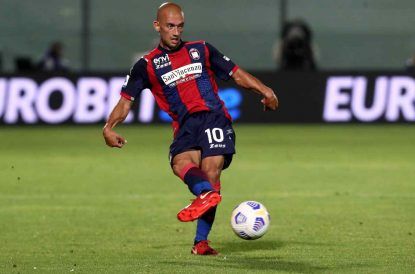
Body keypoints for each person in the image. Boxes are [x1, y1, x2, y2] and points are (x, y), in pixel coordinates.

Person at [103, 2, 278, 255]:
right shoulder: (147, 65)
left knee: (211, 171)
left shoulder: (202, 49)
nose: (176, 32)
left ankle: (201, 242)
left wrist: (266, 90)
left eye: (180, 26)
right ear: (157, 26)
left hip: (214, 117)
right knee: (179, 163)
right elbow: (125, 101)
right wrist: (109, 127)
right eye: (170, 26)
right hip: (185, 125)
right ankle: (206, 194)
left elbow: (236, 74)